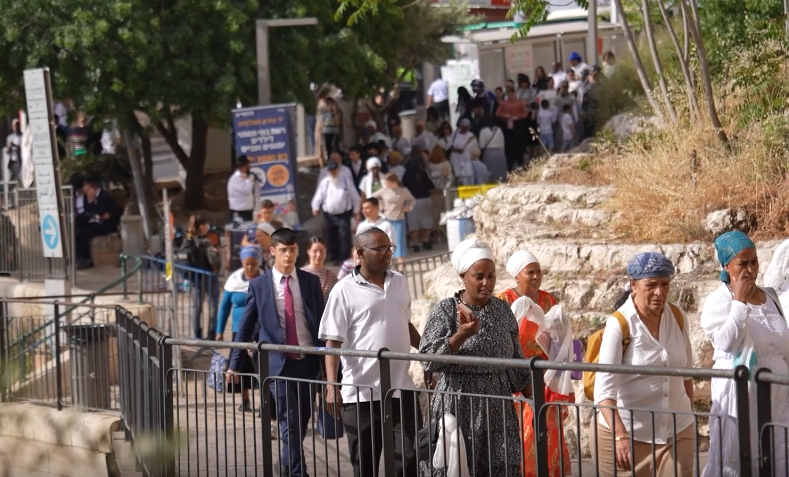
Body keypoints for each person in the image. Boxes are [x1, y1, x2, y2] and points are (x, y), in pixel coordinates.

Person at [419, 238, 531, 477]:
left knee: (502, 468)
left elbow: (516, 362)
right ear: (463, 276)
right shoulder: (446, 311)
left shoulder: (502, 311)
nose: (486, 283)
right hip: (458, 405)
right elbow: (427, 359)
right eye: (478, 276)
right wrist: (459, 336)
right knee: (458, 467)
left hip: (498, 407)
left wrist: (538, 401)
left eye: (491, 276)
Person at [320, 227, 422, 477]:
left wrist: (428, 357)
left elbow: (406, 324)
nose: (387, 253)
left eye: (389, 247)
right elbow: (332, 342)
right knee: (365, 465)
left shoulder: (399, 281)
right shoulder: (343, 290)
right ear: (360, 253)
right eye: (380, 248)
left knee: (410, 458)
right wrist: (332, 386)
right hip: (361, 394)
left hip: (401, 388)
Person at [229, 228, 325, 477]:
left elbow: (323, 324)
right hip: (277, 365)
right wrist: (234, 364)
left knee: (302, 419)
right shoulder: (259, 286)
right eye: (283, 250)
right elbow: (245, 327)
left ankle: (284, 463)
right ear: (272, 252)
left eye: (292, 250)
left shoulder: (310, 282)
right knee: (289, 420)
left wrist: (329, 364)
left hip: (307, 363)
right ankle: (297, 472)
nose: (288, 255)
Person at [594, 252, 694, 477]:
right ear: (633, 285)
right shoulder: (619, 324)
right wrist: (620, 436)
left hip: (676, 430)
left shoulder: (678, 317)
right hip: (628, 434)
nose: (660, 292)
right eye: (651, 285)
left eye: (665, 284)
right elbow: (604, 391)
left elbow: (687, 374)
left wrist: (690, 416)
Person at [702, 232, 789, 476]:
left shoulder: (771, 296)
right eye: (743, 263)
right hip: (740, 396)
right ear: (726, 266)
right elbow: (726, 342)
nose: (750, 269)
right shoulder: (718, 301)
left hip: (778, 398)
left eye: (754, 261)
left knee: (775, 458)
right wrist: (739, 301)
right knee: (738, 458)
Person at [215, 246, 264, 412]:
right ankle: (245, 400)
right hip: (239, 331)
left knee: (260, 366)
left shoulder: (265, 279)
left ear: (259, 263)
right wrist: (219, 330)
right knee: (241, 367)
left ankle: (263, 402)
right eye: (247, 263)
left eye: (253, 264)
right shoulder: (234, 280)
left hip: (259, 330)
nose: (250, 267)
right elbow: (224, 306)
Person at [311, 161, 361, 266]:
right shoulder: (325, 183)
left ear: (338, 170)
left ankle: (344, 259)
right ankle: (335, 258)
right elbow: (318, 197)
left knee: (344, 236)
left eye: (334, 170)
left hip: (344, 214)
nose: (333, 173)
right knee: (331, 235)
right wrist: (315, 208)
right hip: (329, 215)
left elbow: (356, 198)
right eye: (331, 171)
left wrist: (356, 211)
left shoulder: (346, 181)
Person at [183, 215, 221, 339]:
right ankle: (211, 336)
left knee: (197, 307)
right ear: (201, 226)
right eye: (206, 225)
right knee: (212, 307)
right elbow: (215, 261)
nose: (208, 227)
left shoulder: (187, 240)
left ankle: (197, 335)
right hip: (209, 277)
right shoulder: (207, 241)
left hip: (194, 278)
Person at [75, 177, 120, 270]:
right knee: (77, 230)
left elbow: (100, 212)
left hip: (106, 225)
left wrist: (92, 201)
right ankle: (80, 258)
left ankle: (86, 259)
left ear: (93, 187)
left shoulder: (104, 196)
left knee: (80, 234)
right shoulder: (89, 197)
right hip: (96, 222)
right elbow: (90, 213)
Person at [370, 178, 414, 261]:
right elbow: (371, 197)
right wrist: (380, 205)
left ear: (394, 182)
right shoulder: (384, 191)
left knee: (400, 243)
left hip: (400, 218)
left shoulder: (403, 190)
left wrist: (409, 207)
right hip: (388, 219)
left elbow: (412, 200)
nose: (386, 184)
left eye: (388, 182)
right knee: (388, 242)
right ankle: (390, 265)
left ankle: (401, 267)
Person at [402, 156, 435, 253]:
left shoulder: (407, 174)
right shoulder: (423, 173)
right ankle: (425, 240)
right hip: (425, 198)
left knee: (413, 223)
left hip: (411, 200)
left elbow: (404, 186)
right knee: (426, 221)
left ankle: (415, 242)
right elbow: (431, 185)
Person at [497, 85, 529, 171]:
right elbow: (498, 113)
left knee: (519, 145)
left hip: (518, 126)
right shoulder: (504, 103)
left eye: (512, 93)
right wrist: (505, 116)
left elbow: (525, 113)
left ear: (515, 94)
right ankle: (509, 165)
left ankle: (520, 163)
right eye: (509, 94)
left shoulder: (520, 103)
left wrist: (517, 116)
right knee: (509, 146)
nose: (511, 95)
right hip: (507, 126)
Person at [301, 236, 340, 303]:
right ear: (308, 251)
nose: (318, 255)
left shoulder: (332, 277)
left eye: (322, 251)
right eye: (315, 251)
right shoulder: (300, 274)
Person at [226, 155, 257, 223]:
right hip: (239, 212)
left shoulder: (244, 176)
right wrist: (248, 180)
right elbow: (247, 191)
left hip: (246, 211)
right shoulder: (236, 178)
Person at [477, 113, 507, 183]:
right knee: (501, 173)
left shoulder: (483, 131)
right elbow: (503, 144)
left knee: (490, 174)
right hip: (500, 153)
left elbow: (481, 145)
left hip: (489, 154)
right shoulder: (499, 129)